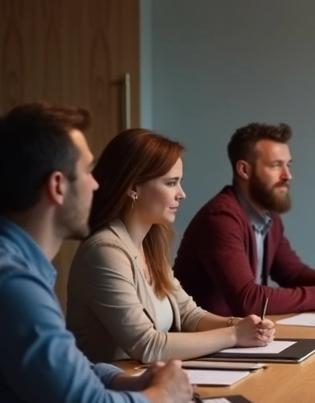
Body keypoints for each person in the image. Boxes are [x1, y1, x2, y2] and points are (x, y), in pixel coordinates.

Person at [0, 103, 192, 403]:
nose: (97, 185)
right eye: (88, 171)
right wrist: (162, 395)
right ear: (58, 186)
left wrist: (124, 381)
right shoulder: (10, 285)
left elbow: (64, 366)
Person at [67, 129, 276, 364]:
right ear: (132, 187)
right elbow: (147, 345)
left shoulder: (149, 245)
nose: (182, 194)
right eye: (171, 183)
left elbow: (189, 315)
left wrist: (240, 324)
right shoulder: (103, 252)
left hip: (147, 380)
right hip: (108, 385)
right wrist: (235, 335)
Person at [175, 123, 315, 316]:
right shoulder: (221, 218)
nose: (287, 175)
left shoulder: (269, 217)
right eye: (276, 165)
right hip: (205, 337)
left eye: (288, 165)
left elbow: (293, 274)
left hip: (242, 333)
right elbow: (248, 301)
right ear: (244, 170)